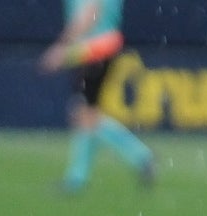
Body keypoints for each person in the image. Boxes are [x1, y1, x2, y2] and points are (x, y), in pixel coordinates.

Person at [40, 0, 155, 196]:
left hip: (94, 49)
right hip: (100, 47)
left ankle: (140, 155)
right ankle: (77, 177)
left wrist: (62, 46)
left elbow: (90, 12)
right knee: (84, 113)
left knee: (85, 115)